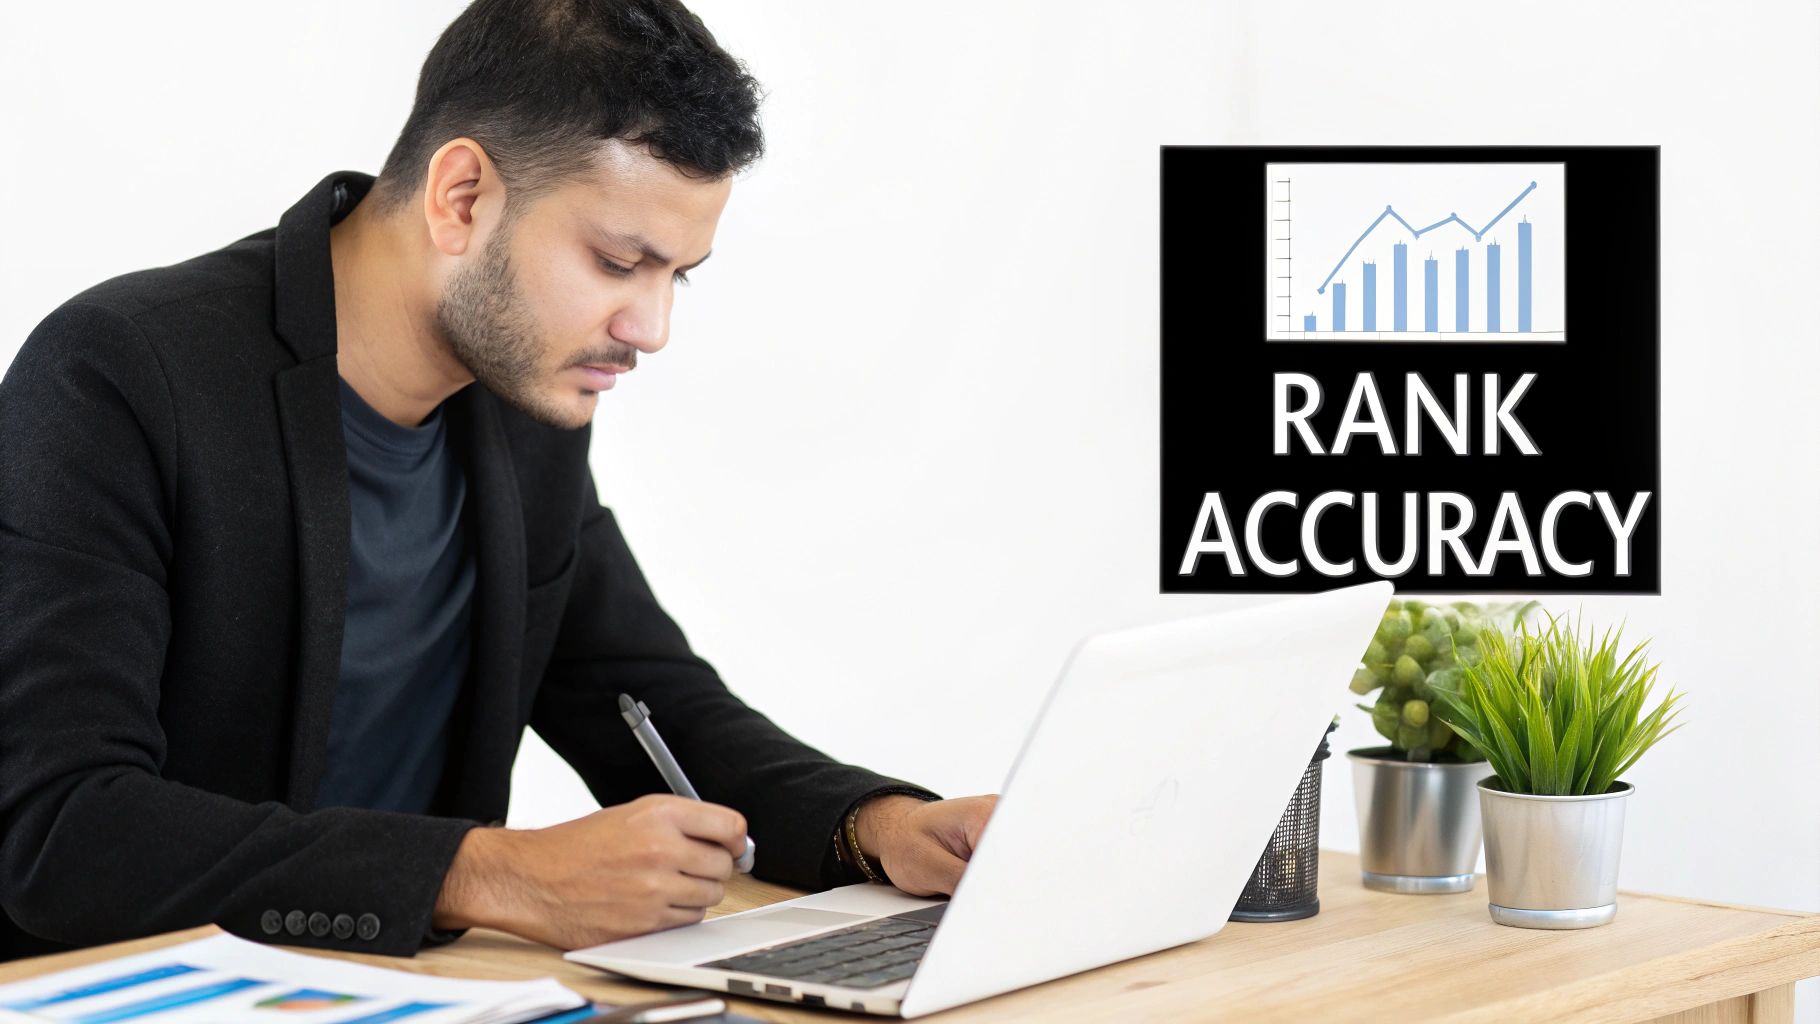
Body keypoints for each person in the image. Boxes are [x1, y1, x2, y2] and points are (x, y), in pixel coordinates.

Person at [0, 0, 997, 961]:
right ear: (462, 197)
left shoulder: (524, 404)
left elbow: (640, 698)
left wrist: (878, 826)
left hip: (416, 989)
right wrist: (489, 875)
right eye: (617, 261)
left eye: (676, 274)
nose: (650, 329)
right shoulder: (121, 374)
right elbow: (60, 823)